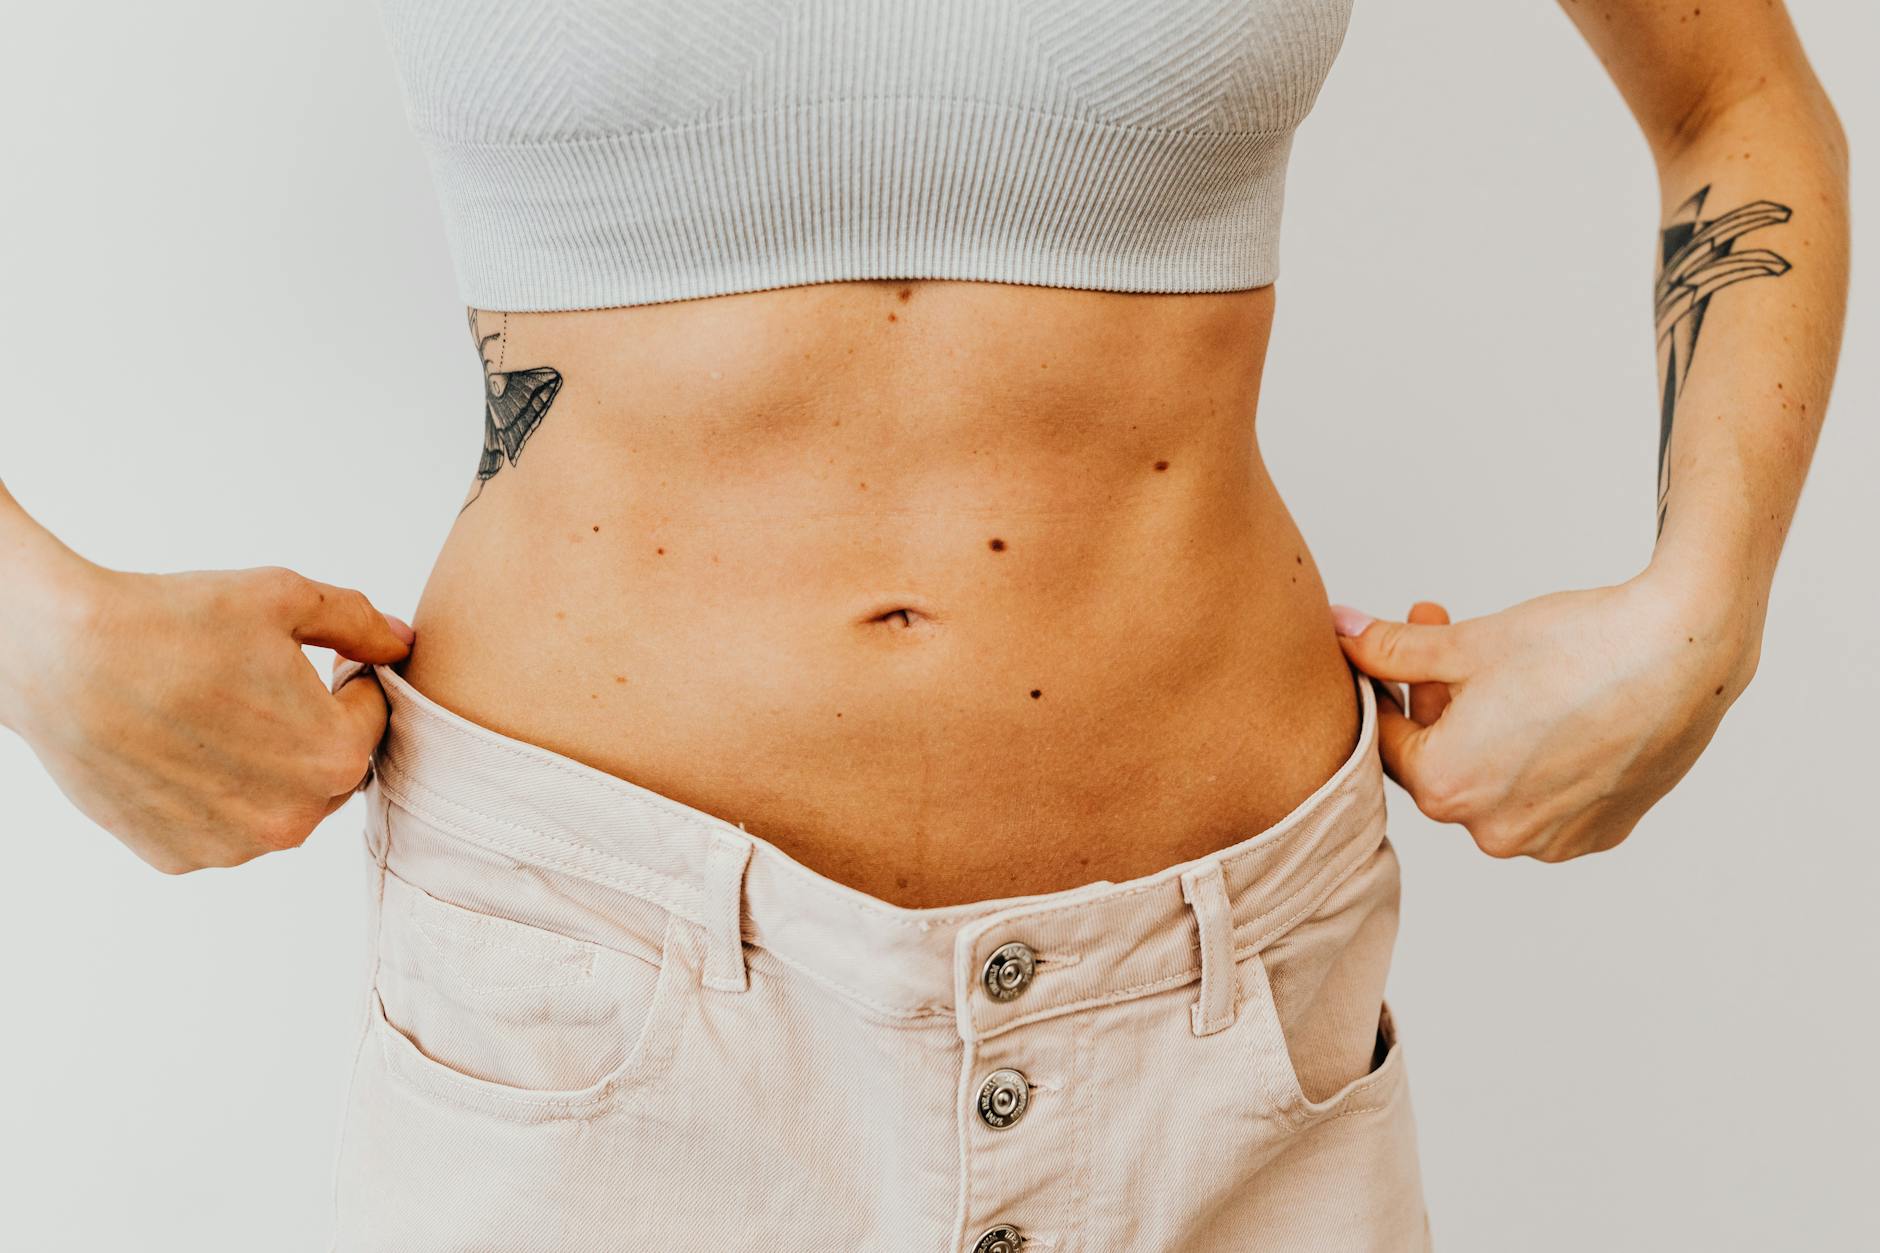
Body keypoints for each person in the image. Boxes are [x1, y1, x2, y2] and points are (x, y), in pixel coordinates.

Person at [0, 1, 1847, 1249]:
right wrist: (35, 631)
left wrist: (1704, 610)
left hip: (1214, 1015)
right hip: (579, 1009)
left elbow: (1736, 97)